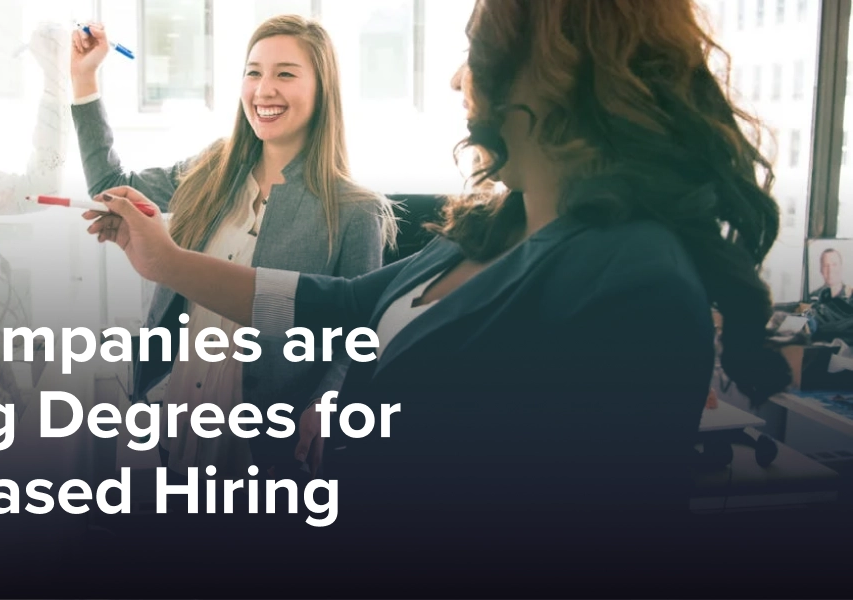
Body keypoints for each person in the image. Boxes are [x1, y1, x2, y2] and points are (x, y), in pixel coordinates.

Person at [84, 0, 792, 585]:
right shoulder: (492, 227)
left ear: (552, 75)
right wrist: (167, 263)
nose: (457, 77)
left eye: (474, 49)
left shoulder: (634, 280)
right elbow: (347, 306)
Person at [69, 16, 393, 478]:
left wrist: (328, 401)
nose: (263, 89)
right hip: (176, 415)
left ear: (323, 89)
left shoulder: (356, 210)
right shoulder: (211, 170)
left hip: (266, 443)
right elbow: (111, 186)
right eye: (253, 71)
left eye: (285, 73)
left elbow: (360, 333)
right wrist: (85, 78)